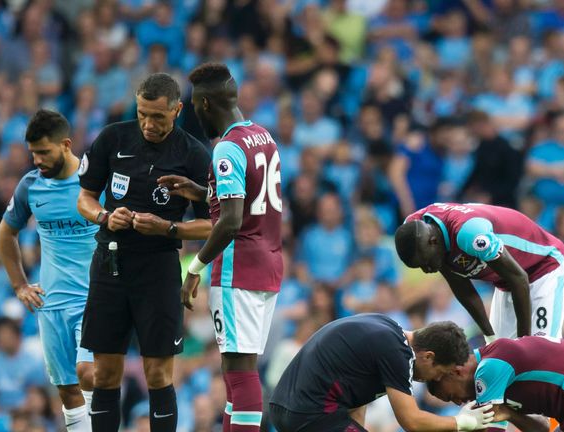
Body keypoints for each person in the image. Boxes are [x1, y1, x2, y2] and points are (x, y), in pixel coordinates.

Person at [76, 73, 212, 432]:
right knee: (104, 372)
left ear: (177, 110)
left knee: (158, 373)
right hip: (110, 263)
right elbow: (85, 198)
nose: (149, 124)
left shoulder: (194, 155)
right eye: (142, 114)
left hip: (158, 268)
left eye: (158, 117)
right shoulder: (112, 138)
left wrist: (168, 228)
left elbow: (214, 225)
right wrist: (105, 216)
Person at [158, 62, 283, 432]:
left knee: (241, 374)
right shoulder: (263, 136)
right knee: (236, 374)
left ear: (206, 104)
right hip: (268, 264)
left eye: (196, 106)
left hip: (237, 270)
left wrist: (193, 270)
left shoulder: (226, 149)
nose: (195, 114)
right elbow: (252, 198)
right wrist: (202, 192)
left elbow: (230, 221)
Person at [0, 110, 96, 432]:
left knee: (89, 373)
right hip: (50, 303)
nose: (37, 159)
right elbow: (5, 233)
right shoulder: (31, 186)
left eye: (44, 152)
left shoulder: (95, 180)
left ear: (66, 145)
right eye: (33, 153)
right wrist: (19, 285)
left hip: (94, 299)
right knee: (67, 389)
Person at [269, 314, 494, 432]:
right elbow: (412, 422)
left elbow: (355, 397)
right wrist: (462, 422)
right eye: (438, 373)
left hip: (286, 408)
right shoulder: (398, 353)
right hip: (310, 414)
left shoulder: (388, 329)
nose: (434, 380)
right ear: (428, 356)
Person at [395, 202, 564, 341]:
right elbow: (461, 287)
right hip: (507, 282)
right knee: (501, 355)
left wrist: (524, 342)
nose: (427, 270)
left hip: (545, 266)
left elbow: (519, 279)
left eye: (426, 263)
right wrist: (489, 336)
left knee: (538, 352)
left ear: (434, 241)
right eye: (420, 267)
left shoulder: (470, 235)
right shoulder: (415, 232)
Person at [427, 336, 564, 432]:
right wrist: (511, 415)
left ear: (455, 372)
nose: (458, 402)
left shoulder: (489, 368)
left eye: (449, 396)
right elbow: (542, 429)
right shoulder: (498, 384)